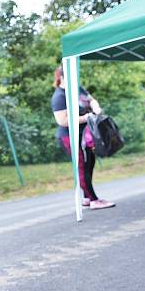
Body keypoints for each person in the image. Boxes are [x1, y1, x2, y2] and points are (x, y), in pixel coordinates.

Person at [51, 66, 115, 210]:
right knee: (81, 168)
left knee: (90, 164)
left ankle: (87, 198)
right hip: (69, 137)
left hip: (86, 135)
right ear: (61, 77)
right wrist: (86, 117)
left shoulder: (78, 88)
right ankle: (94, 200)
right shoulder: (59, 97)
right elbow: (62, 121)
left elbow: (91, 100)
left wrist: (96, 108)